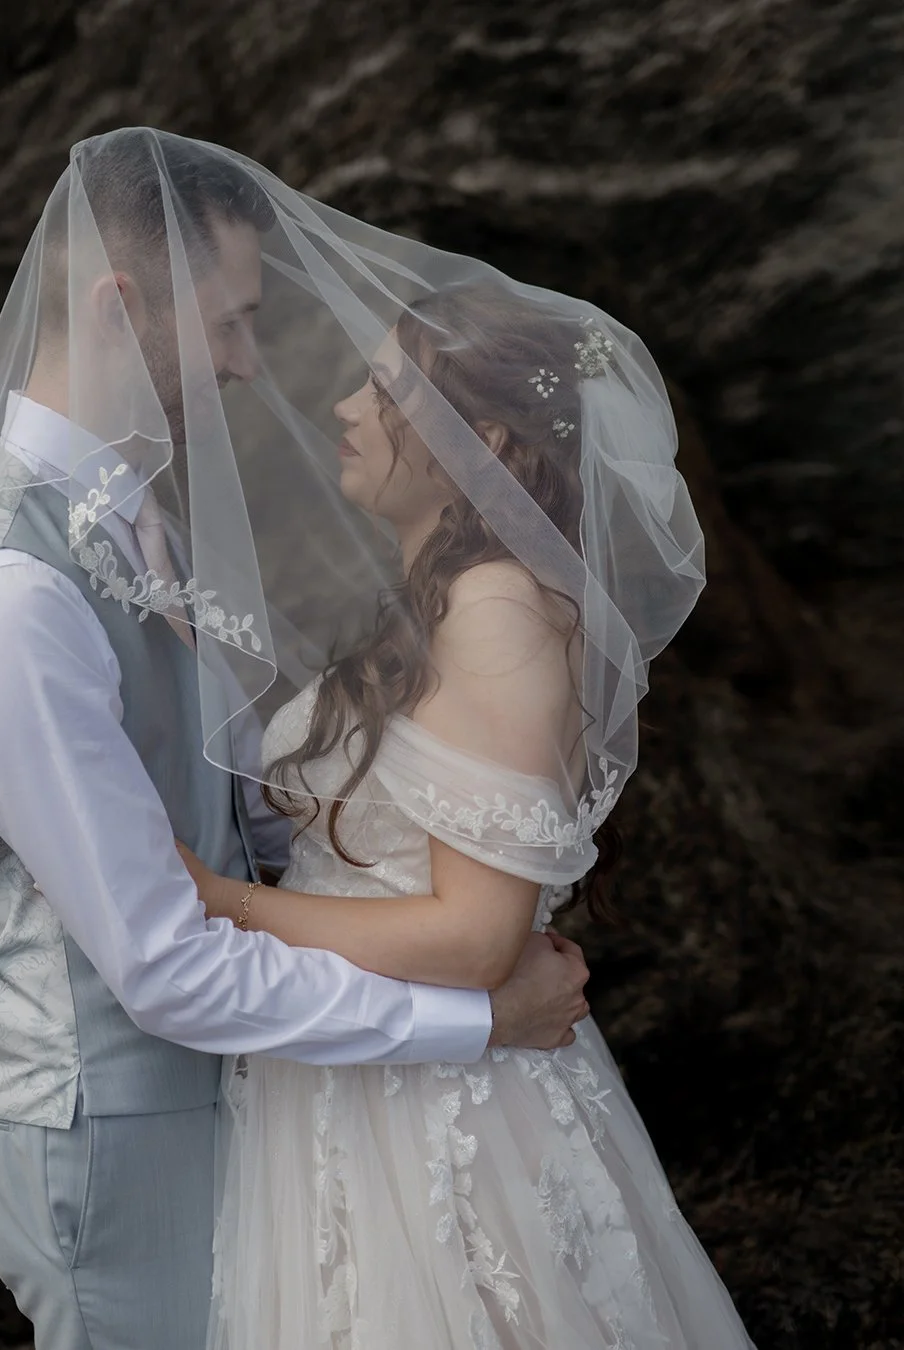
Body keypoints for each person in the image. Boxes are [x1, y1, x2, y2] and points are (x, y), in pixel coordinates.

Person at [0, 129, 589, 1350]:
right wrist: (479, 1020)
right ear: (118, 306)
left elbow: (234, 815)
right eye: (228, 322)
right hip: (107, 1119)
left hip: (232, 1096)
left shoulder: (127, 522)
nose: (252, 367)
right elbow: (161, 962)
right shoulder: (10, 598)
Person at [165, 189, 760, 1341]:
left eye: (384, 392)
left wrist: (222, 904)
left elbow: (479, 938)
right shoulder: (442, 608)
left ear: (479, 446)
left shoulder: (492, 612)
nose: (344, 405)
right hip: (366, 1073)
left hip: (439, 1110)